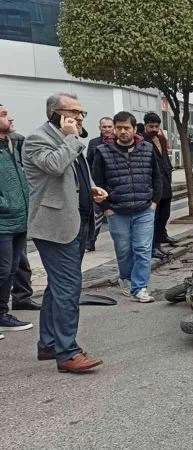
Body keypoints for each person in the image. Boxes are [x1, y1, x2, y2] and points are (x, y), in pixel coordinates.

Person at [24, 93, 108, 372]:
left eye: (81, 112)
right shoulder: (37, 139)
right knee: (68, 288)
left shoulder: (68, 139)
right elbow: (54, 165)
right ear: (55, 113)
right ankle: (67, 353)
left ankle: (49, 343)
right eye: (73, 112)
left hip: (77, 222)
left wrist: (91, 188)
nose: (80, 117)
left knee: (58, 287)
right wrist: (71, 138)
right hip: (54, 227)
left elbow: (73, 172)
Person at [93, 112, 162, 302]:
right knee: (123, 249)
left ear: (134, 129)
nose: (123, 132)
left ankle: (140, 287)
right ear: (114, 129)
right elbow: (97, 183)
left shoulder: (147, 149)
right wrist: (106, 208)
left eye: (127, 128)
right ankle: (125, 277)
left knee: (143, 248)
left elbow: (157, 177)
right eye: (119, 128)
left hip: (144, 208)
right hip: (116, 210)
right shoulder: (103, 151)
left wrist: (154, 203)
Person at [0, 104, 34, 336]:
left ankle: (2, 314)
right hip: (3, 221)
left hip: (18, 220)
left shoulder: (11, 145)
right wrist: (6, 204)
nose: (10, 118)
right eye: (3, 115)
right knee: (2, 270)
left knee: (10, 270)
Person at [142, 112, 174, 260]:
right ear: (145, 126)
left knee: (164, 215)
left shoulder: (161, 139)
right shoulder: (142, 141)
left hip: (166, 183)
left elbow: (164, 158)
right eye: (151, 126)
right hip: (152, 185)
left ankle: (159, 242)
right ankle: (153, 246)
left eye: (156, 126)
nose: (154, 129)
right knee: (154, 218)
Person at [85, 116, 115, 252]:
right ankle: (90, 242)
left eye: (109, 126)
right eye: (104, 127)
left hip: (114, 183)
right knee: (96, 214)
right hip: (98, 184)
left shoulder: (118, 142)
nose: (107, 129)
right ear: (100, 128)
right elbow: (88, 162)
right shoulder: (94, 143)